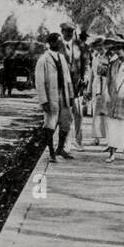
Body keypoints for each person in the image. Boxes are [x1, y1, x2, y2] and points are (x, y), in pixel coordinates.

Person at [34, 32, 74, 161]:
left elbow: (68, 79)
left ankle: (60, 149)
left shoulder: (62, 58)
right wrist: (43, 101)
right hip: (51, 97)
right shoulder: (43, 60)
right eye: (58, 41)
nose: (61, 43)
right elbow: (39, 83)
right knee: (50, 125)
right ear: (51, 43)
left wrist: (71, 95)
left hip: (64, 96)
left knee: (66, 123)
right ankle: (51, 152)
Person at [61, 22, 86, 148]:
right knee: (65, 116)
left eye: (71, 31)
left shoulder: (79, 46)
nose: (69, 33)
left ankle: (78, 141)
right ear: (62, 32)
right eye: (66, 31)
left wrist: (84, 78)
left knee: (79, 115)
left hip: (77, 86)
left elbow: (85, 63)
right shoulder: (58, 47)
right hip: (63, 87)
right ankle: (66, 143)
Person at [91, 45, 110, 145]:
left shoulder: (109, 58)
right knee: (96, 113)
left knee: (106, 113)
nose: (99, 49)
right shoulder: (95, 58)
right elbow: (93, 74)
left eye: (101, 47)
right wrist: (91, 90)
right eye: (97, 47)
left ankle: (109, 139)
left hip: (106, 87)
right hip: (97, 86)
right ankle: (96, 137)